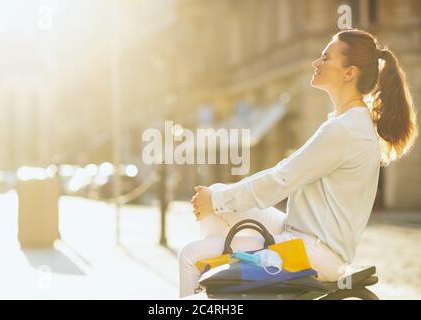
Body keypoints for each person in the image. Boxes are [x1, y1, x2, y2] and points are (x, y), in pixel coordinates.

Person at [178, 29, 418, 297]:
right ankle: (225, 283)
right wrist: (216, 198)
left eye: (326, 58)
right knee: (215, 201)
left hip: (315, 252)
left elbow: (282, 179)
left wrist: (217, 199)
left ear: (349, 73)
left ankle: (222, 282)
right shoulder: (347, 123)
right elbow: (283, 175)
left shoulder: (344, 130)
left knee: (191, 255)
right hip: (303, 235)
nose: (316, 62)